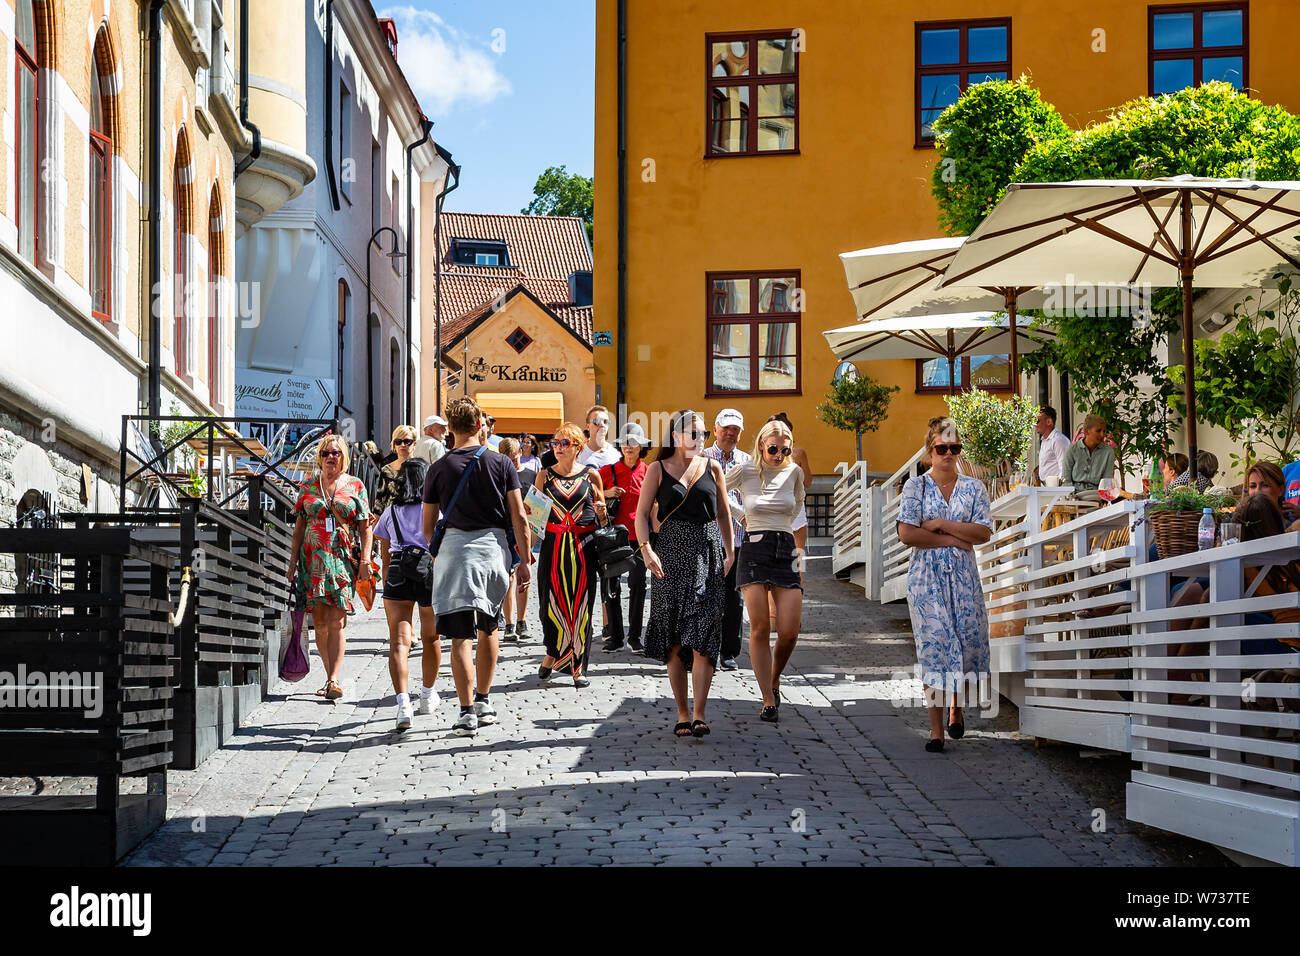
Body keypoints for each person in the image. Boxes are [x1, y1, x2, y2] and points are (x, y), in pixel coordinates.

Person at [422, 398, 533, 737]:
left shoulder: (438, 468)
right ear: (479, 426)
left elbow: (428, 525)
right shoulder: (501, 463)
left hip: (454, 550)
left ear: (451, 429)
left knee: (459, 635)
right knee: (490, 626)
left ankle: (466, 709)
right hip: (492, 551)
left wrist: (439, 552)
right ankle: (484, 700)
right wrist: (525, 560)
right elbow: (520, 517)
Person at [635, 410, 735, 739]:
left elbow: (722, 514)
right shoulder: (657, 469)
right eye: (694, 434)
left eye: (704, 435)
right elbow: (640, 517)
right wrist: (647, 550)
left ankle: (700, 713)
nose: (699, 440)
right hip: (670, 557)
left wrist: (729, 551)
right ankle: (681, 711)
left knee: (704, 634)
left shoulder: (713, 468)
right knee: (676, 639)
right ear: (676, 437)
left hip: (707, 555)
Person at [896, 417, 993, 753]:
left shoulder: (974, 488)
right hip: (926, 581)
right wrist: (953, 539)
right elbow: (907, 533)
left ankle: (956, 706)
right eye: (941, 448)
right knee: (935, 646)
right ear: (929, 451)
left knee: (964, 643)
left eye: (954, 447)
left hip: (964, 578)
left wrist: (939, 524)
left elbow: (982, 532)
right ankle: (936, 730)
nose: (948, 453)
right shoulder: (915, 488)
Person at [726, 418, 805, 723]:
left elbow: (798, 503)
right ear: (761, 445)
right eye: (773, 448)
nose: (778, 455)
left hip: (785, 548)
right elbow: (719, 491)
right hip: (754, 548)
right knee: (760, 627)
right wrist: (742, 516)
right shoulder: (746, 471)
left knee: (789, 630)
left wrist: (782, 524)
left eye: (784, 450)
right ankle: (768, 697)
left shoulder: (794, 472)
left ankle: (774, 677)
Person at [287, 434, 373, 702]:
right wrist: (292, 564)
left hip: (340, 559)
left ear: (343, 456)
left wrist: (365, 561)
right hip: (312, 561)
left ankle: (335, 678)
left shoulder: (355, 485)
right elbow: (299, 527)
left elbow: (365, 527)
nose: (330, 457)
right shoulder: (309, 486)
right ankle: (328, 677)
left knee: (336, 622)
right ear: (320, 457)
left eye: (335, 453)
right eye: (325, 453)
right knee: (320, 624)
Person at [534, 423, 607, 687]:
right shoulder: (544, 476)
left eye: (564, 443)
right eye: (554, 443)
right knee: (548, 605)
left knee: (582, 606)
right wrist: (524, 552)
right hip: (553, 548)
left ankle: (579, 667)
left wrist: (601, 511)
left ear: (577, 446)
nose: (558, 448)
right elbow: (535, 518)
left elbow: (603, 519)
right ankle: (553, 652)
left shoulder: (591, 476)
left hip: (583, 547)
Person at [373, 455, 438, 730]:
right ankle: (426, 694)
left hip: (399, 570)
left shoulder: (391, 512)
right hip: (427, 570)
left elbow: (385, 555)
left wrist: (388, 582)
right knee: (431, 637)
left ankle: (402, 705)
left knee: (399, 642)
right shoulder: (433, 509)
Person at [703, 408, 750, 670]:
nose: (731, 433)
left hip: (740, 540)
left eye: (736, 429)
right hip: (709, 538)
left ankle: (729, 651)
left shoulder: (747, 461)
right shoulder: (703, 458)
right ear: (716, 428)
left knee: (734, 599)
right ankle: (706, 647)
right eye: (727, 428)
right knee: (708, 596)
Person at [599, 422, 651, 653]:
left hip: (640, 537)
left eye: (634, 443)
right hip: (613, 537)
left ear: (642, 447)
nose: (629, 447)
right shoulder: (606, 472)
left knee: (638, 585)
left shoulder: (649, 472)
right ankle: (616, 637)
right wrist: (606, 493)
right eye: (625, 443)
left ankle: (635, 637)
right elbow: (592, 501)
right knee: (612, 587)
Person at [496, 438, 527, 644]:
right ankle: (508, 623)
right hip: (503, 528)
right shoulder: (497, 475)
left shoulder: (530, 474)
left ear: (520, 453)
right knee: (508, 577)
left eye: (513, 459)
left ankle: (521, 621)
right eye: (506, 459)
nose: (511, 463)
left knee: (523, 574)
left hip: (523, 529)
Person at [770, 413, 813, 551]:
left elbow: (807, 481)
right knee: (789, 560)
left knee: (796, 559)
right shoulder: (762, 454)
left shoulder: (798, 453)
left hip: (793, 508)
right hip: (771, 510)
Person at [1062, 413, 1115, 492]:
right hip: (1074, 496)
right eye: (1098, 431)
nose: (1102, 435)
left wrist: (1102, 499)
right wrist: (1071, 497)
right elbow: (1066, 480)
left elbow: (1107, 482)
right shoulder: (1072, 450)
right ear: (1086, 431)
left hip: (1097, 496)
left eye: (1104, 431)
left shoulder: (1108, 452)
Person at [1034, 406, 1070, 482]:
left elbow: (1065, 468)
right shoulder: (1045, 440)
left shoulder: (1058, 440)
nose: (1035, 424)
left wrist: (1058, 489)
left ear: (1049, 422)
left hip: (1056, 490)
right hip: (1047, 489)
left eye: (1037, 421)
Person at [577, 405, 620, 470]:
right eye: (596, 421)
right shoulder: (578, 455)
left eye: (605, 422)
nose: (602, 425)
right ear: (587, 426)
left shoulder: (616, 455)